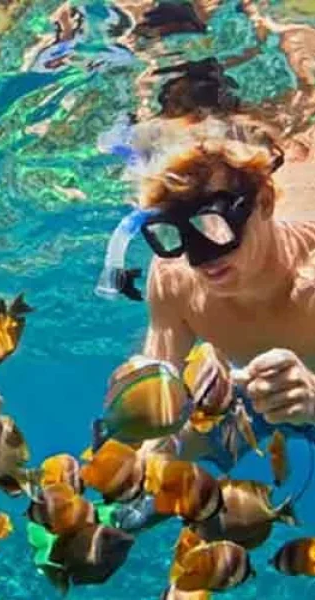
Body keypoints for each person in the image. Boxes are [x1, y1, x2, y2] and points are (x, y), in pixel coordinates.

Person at [89, 116, 315, 531]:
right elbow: (159, 405)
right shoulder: (174, 277)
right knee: (140, 499)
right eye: (175, 233)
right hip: (240, 398)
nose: (200, 258)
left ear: (265, 202)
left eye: (215, 223)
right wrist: (136, 471)